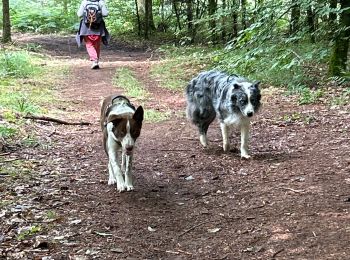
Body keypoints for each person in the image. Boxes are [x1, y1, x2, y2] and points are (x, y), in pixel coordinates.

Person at [76, 0, 110, 69]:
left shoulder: (84, 2)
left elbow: (79, 14)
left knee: (89, 45)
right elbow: (105, 14)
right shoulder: (100, 2)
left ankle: (94, 60)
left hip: (86, 28)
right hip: (98, 27)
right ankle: (96, 61)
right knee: (97, 45)